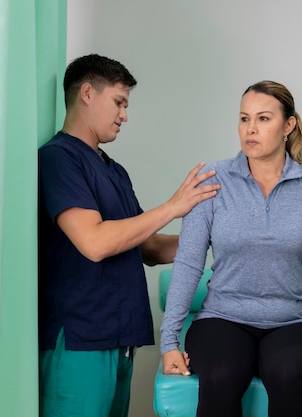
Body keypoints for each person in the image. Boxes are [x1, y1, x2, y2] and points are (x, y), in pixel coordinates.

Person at [38, 54, 220, 417]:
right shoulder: (58, 159)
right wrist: (173, 206)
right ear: (87, 93)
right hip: (80, 341)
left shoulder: (113, 170)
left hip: (119, 339)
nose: (125, 115)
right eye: (119, 102)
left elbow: (148, 246)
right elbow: (95, 242)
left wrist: (219, 233)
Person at [160, 80, 302, 417]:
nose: (251, 129)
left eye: (263, 119)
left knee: (288, 375)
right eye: (244, 118)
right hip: (223, 318)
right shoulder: (211, 178)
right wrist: (169, 342)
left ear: (288, 126)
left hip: (295, 320)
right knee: (221, 376)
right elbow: (189, 262)